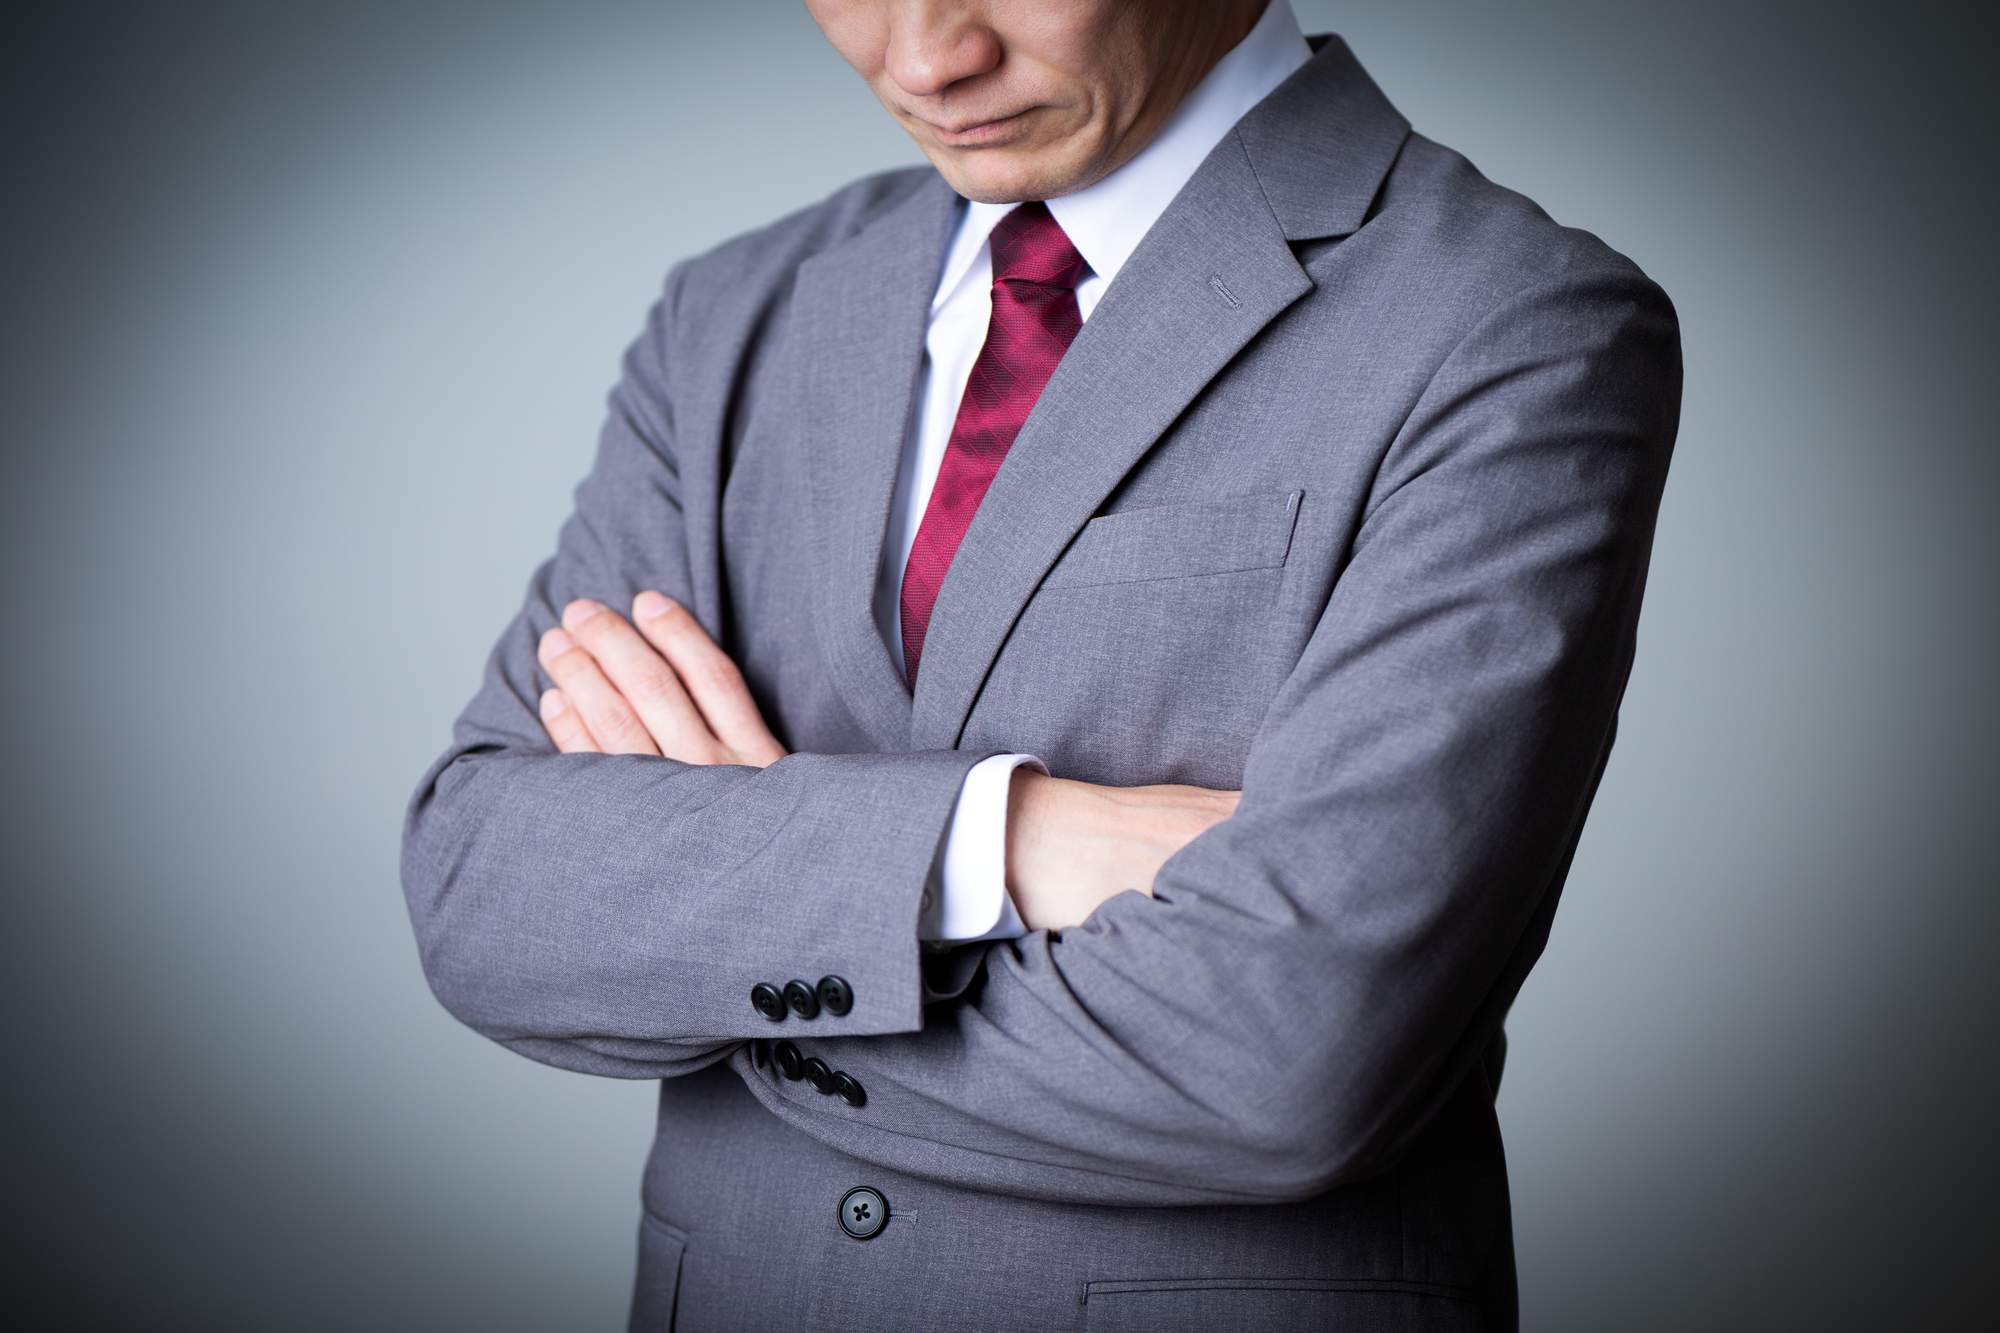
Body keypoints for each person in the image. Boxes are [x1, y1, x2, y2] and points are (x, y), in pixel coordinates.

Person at [402, 0, 1680, 1327]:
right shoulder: (728, 316)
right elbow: (482, 890)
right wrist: (999, 838)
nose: (925, 58)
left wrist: (716, 951)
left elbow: (1291, 1052)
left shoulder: (1518, 324)